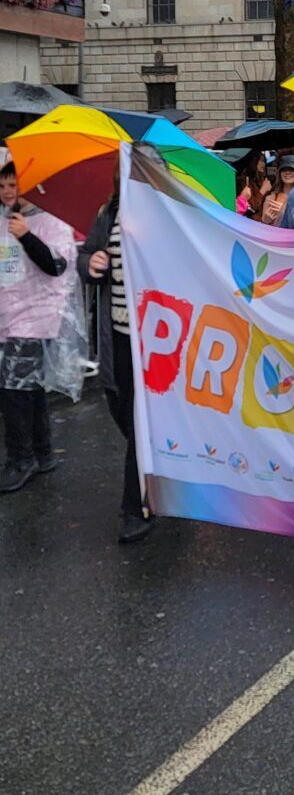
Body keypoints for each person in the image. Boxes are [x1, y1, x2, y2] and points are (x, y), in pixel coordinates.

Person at [78, 160, 152, 543]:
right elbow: (84, 256)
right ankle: (154, 468)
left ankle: (135, 507)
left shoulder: (165, 215)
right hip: (116, 336)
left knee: (141, 421)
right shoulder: (108, 214)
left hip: (154, 341)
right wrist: (91, 263)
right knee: (120, 407)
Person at [0, 162, 82, 492]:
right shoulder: (5, 220)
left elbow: (56, 266)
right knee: (28, 386)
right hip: (9, 316)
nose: (7, 191)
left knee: (13, 387)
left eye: (13, 185)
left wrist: (27, 236)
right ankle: (43, 453)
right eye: (2, 185)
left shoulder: (49, 221)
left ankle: (21, 459)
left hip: (36, 317)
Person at [260, 154, 294, 225]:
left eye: (292, 169)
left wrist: (285, 212)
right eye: (284, 169)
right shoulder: (271, 198)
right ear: (279, 173)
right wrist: (265, 221)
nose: (287, 172)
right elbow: (263, 230)